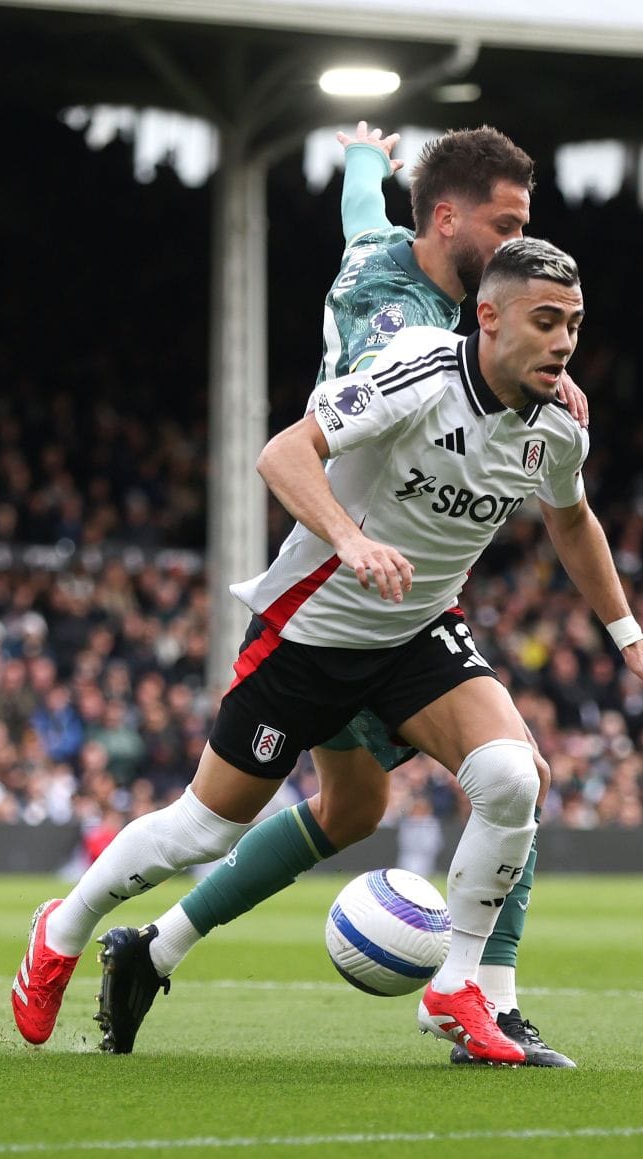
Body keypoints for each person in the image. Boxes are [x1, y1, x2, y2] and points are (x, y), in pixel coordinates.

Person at [11, 238, 643, 1062]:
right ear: (488, 318)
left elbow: (571, 519)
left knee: (513, 777)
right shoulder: (421, 372)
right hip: (310, 637)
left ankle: (457, 990)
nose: (563, 343)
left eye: (574, 326)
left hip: (414, 633)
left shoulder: (557, 429)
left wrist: (630, 637)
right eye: (545, 322)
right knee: (201, 830)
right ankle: (66, 925)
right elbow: (283, 452)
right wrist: (348, 541)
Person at [119, 123, 588, 1068]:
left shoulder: (383, 245)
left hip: (387, 574)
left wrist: (365, 156)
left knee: (352, 810)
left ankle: (155, 947)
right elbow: (446, 369)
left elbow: (359, 215)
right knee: (515, 775)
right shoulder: (405, 322)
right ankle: (485, 1000)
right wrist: (546, 383)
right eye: (503, 226)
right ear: (451, 221)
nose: (513, 248)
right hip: (357, 571)